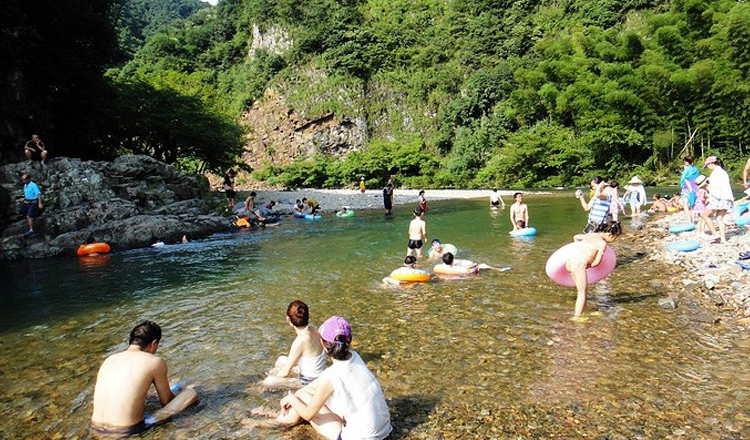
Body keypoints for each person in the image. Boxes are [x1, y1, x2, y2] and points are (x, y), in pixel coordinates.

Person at [244, 316, 392, 440]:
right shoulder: (355, 357)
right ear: (350, 340)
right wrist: (298, 394)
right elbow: (319, 384)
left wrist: (291, 399)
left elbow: (308, 414)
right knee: (303, 394)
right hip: (384, 429)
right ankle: (280, 416)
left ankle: (270, 422)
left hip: (362, 437)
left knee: (302, 400)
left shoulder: (332, 375)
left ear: (322, 343)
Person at [90, 321, 198, 436]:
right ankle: (152, 419)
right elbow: (166, 401)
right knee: (191, 393)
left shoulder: (110, 359)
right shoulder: (154, 361)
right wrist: (181, 393)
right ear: (154, 343)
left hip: (95, 428)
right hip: (127, 430)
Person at [263, 301, 327, 389]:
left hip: (309, 381)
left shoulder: (300, 341)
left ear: (288, 319)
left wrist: (272, 378)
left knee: (268, 382)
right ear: (308, 317)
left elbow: (285, 373)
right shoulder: (313, 328)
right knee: (280, 360)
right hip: (319, 373)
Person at [566, 222, 622, 319]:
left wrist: (579, 249)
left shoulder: (591, 234)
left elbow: (576, 237)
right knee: (582, 292)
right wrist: (589, 264)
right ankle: (577, 317)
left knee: (582, 290)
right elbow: (596, 263)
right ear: (610, 235)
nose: (614, 240)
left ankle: (585, 311)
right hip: (579, 265)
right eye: (615, 238)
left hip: (570, 262)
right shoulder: (602, 244)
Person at [702, 156, 734, 244]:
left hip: (718, 199)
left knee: (705, 215)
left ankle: (716, 235)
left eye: (707, 165)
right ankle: (723, 239)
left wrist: (707, 187)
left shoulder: (715, 173)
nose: (708, 167)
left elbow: (715, 188)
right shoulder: (723, 172)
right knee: (719, 218)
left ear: (712, 163)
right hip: (727, 199)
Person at [680, 156, 700, 222]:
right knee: (693, 204)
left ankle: (689, 220)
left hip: (687, 188)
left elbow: (684, 179)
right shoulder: (696, 169)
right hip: (695, 187)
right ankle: (693, 219)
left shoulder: (687, 169)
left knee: (685, 204)